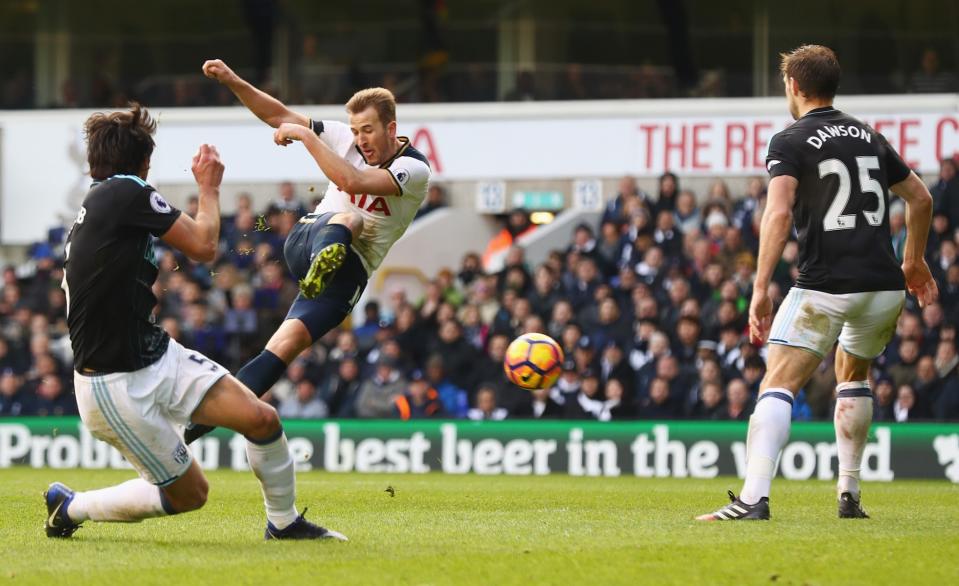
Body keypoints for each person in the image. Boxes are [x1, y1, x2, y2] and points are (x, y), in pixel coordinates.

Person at [45, 104, 345, 541]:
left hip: (153, 353)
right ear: (143, 161)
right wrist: (209, 187)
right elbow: (205, 246)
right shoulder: (125, 190)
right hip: (113, 381)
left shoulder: (103, 203)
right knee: (190, 494)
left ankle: (284, 524)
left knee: (261, 419)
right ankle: (71, 507)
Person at [698, 45, 938, 522]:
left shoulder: (789, 140)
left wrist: (761, 285)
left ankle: (753, 499)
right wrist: (912, 260)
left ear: (794, 86)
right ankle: (848, 494)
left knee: (778, 382)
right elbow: (921, 198)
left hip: (825, 284)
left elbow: (780, 211)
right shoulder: (869, 135)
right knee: (853, 375)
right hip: (883, 288)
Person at [184, 59, 430, 443]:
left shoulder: (414, 170)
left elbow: (352, 178)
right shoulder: (343, 138)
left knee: (283, 347)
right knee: (351, 221)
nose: (360, 139)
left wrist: (306, 137)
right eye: (355, 131)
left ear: (391, 128)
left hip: (349, 272)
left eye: (368, 130)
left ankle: (191, 429)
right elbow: (278, 114)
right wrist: (233, 80)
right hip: (309, 240)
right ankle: (323, 260)